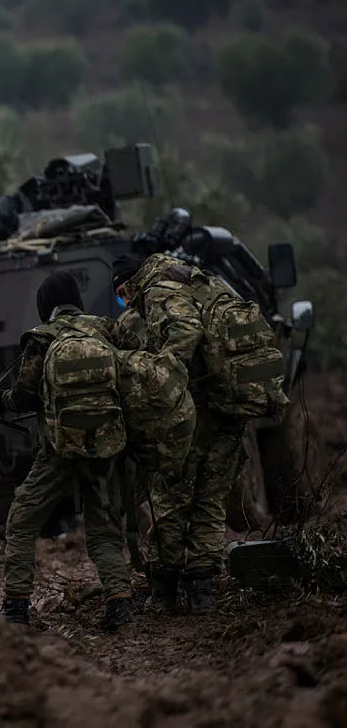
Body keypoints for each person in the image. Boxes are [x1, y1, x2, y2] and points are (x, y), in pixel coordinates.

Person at [0, 272, 134, 632]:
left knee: (21, 521)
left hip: (58, 450)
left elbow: (23, 396)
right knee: (104, 529)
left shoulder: (41, 339)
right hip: (104, 445)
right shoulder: (107, 329)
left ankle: (17, 609)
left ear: (45, 306)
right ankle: (120, 604)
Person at [110, 252, 252, 615]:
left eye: (122, 295)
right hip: (229, 403)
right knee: (209, 499)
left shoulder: (154, 296)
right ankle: (203, 589)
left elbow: (185, 333)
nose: (125, 303)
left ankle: (166, 592)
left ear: (127, 285)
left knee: (170, 499)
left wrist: (163, 379)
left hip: (191, 414)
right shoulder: (203, 282)